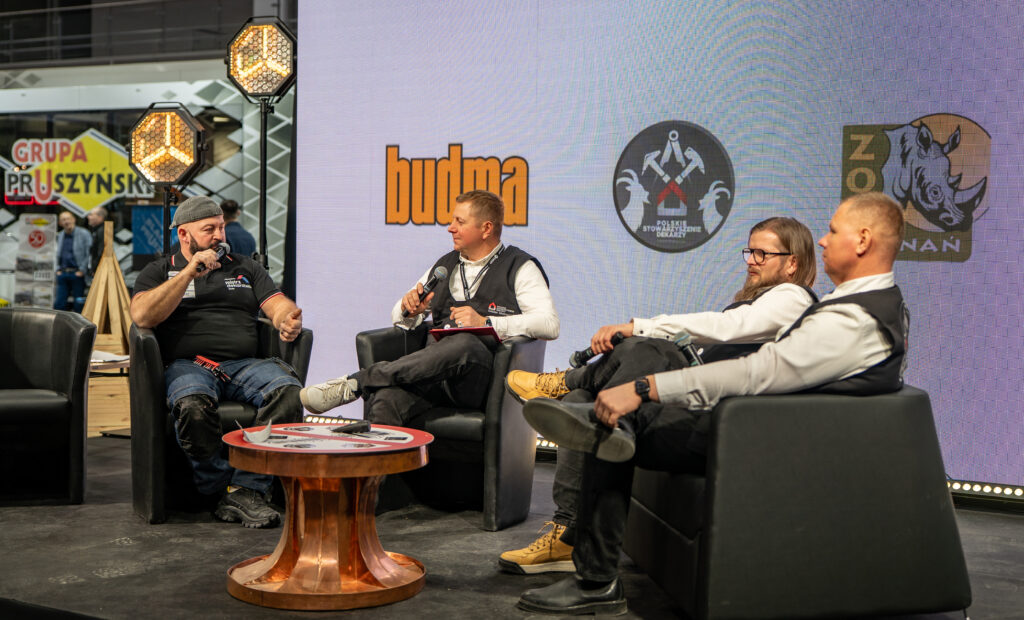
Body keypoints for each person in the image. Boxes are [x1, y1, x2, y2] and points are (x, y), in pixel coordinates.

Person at [517, 192, 908, 615]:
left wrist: (645, 388)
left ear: (863, 239)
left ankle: (595, 579)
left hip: (762, 438)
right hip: (761, 427)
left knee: (611, 416)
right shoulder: (862, 306)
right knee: (611, 422)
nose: (825, 240)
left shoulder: (854, 319)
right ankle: (592, 549)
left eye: (833, 230)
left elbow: (759, 372)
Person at [499, 217, 818, 575]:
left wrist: (641, 326)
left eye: (762, 254)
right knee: (583, 402)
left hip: (719, 413)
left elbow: (728, 327)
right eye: (749, 252)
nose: (751, 261)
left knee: (647, 345)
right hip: (698, 397)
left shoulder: (792, 297)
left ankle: (566, 382)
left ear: (792, 262)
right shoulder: (763, 303)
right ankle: (565, 534)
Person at [300, 189, 559, 427]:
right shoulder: (445, 265)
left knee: (464, 343)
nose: (450, 228)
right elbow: (398, 317)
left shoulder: (519, 266)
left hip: (479, 382)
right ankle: (377, 464)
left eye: (460, 221)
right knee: (387, 399)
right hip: (430, 375)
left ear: (486, 228)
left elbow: (549, 324)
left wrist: (486, 322)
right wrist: (410, 310)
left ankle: (359, 381)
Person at [130, 195, 305, 529]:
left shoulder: (245, 267)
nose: (219, 236)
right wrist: (188, 273)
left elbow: (277, 303)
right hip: (188, 364)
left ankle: (246, 489)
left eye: (221, 227)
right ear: (184, 234)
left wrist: (286, 319)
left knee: (289, 391)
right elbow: (142, 315)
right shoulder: (160, 270)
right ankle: (217, 485)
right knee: (192, 404)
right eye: (208, 229)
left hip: (244, 364)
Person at [54, 211, 92, 312]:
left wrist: (82, 270)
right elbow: (55, 254)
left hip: (77, 274)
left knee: (78, 304)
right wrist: (57, 269)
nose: (66, 222)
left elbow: (89, 253)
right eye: (63, 220)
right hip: (63, 273)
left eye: (68, 219)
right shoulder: (59, 236)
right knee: (59, 303)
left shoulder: (84, 234)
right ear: (60, 223)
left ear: (74, 219)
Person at [85, 206, 107, 274]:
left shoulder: (103, 231)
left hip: (99, 270)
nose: (88, 217)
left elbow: (102, 252)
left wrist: (95, 268)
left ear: (100, 217)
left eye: (91, 215)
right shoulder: (96, 230)